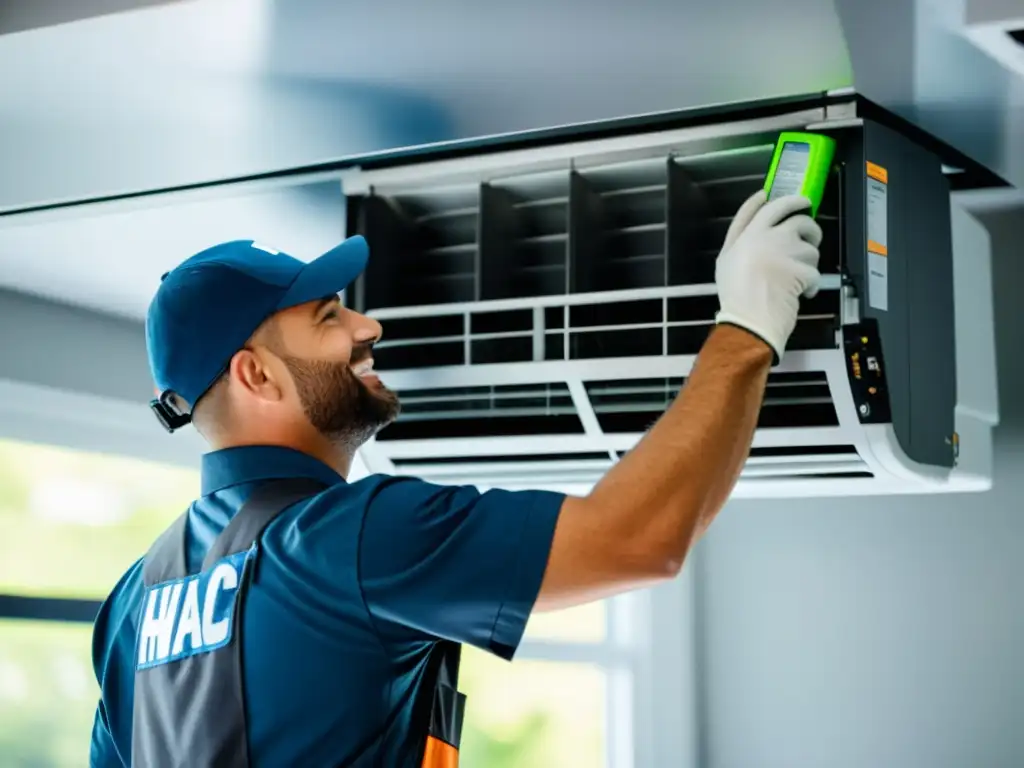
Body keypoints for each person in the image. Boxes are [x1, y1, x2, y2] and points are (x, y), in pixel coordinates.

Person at [88, 189, 822, 767]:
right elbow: (639, 540)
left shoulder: (129, 605)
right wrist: (749, 325)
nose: (367, 327)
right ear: (256, 374)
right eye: (328, 316)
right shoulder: (343, 538)